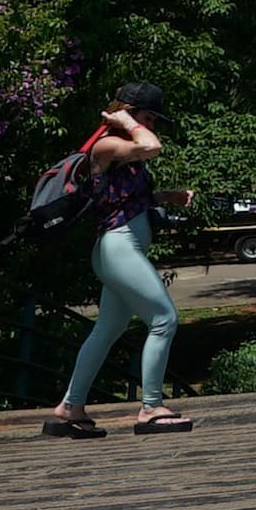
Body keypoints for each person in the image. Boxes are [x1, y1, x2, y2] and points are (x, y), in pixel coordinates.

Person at [44, 84, 195, 438]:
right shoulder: (106, 144)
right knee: (164, 319)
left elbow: (125, 199)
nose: (152, 125)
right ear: (127, 111)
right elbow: (152, 147)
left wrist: (166, 196)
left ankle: (71, 406)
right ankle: (151, 408)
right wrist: (127, 121)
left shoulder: (121, 149)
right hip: (118, 248)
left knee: (107, 329)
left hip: (123, 248)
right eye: (148, 117)